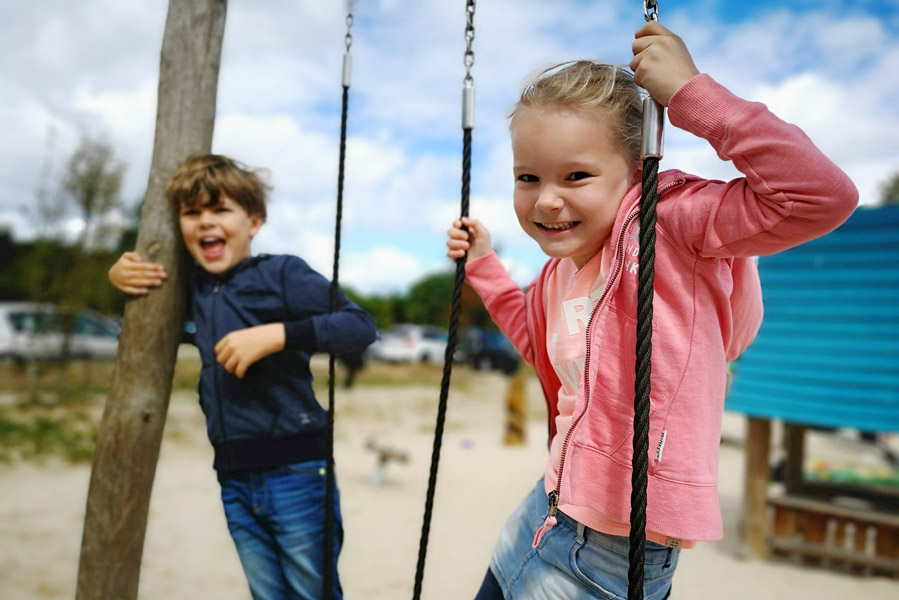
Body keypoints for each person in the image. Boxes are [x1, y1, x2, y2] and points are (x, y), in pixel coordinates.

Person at [446, 22, 857, 600]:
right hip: (543, 510)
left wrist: (693, 95)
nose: (545, 199)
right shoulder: (557, 274)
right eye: (527, 177)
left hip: (617, 549)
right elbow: (535, 340)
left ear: (636, 170)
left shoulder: (672, 228)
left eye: (576, 176)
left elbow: (822, 195)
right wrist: (484, 265)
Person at [109, 154, 377, 600]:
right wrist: (117, 274)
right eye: (192, 213)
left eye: (220, 210)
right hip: (233, 475)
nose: (205, 222)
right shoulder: (189, 285)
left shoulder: (282, 273)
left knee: (312, 593)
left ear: (253, 222)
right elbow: (145, 297)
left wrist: (277, 335)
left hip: (297, 470)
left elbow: (360, 327)